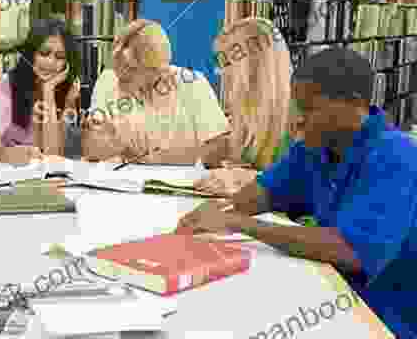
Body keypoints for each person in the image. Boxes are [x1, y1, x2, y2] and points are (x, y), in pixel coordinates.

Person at [177, 47, 417, 338]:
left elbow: (348, 250)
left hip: (381, 319)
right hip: (329, 296)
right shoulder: (313, 148)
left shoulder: (396, 156)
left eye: (310, 109)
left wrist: (239, 223)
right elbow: (257, 196)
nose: (298, 121)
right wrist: (217, 214)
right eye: (296, 108)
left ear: (355, 105)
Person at [81, 19, 230, 164]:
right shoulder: (108, 79)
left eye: (130, 69)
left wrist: (158, 158)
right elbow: (91, 148)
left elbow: (220, 149)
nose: (120, 77)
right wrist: (98, 143)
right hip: (122, 183)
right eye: (116, 66)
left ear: (160, 71)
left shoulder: (193, 83)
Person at [195, 18, 294, 195]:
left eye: (226, 62)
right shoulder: (246, 116)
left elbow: (305, 191)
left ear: (251, 68)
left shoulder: (301, 122)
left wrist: (248, 178)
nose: (220, 72)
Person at [0, 19, 81, 164]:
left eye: (59, 57)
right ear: (31, 53)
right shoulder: (4, 85)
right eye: (44, 53)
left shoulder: (67, 92)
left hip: (45, 176)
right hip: (7, 173)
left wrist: (48, 91)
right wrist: (11, 154)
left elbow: (53, 154)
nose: (50, 62)